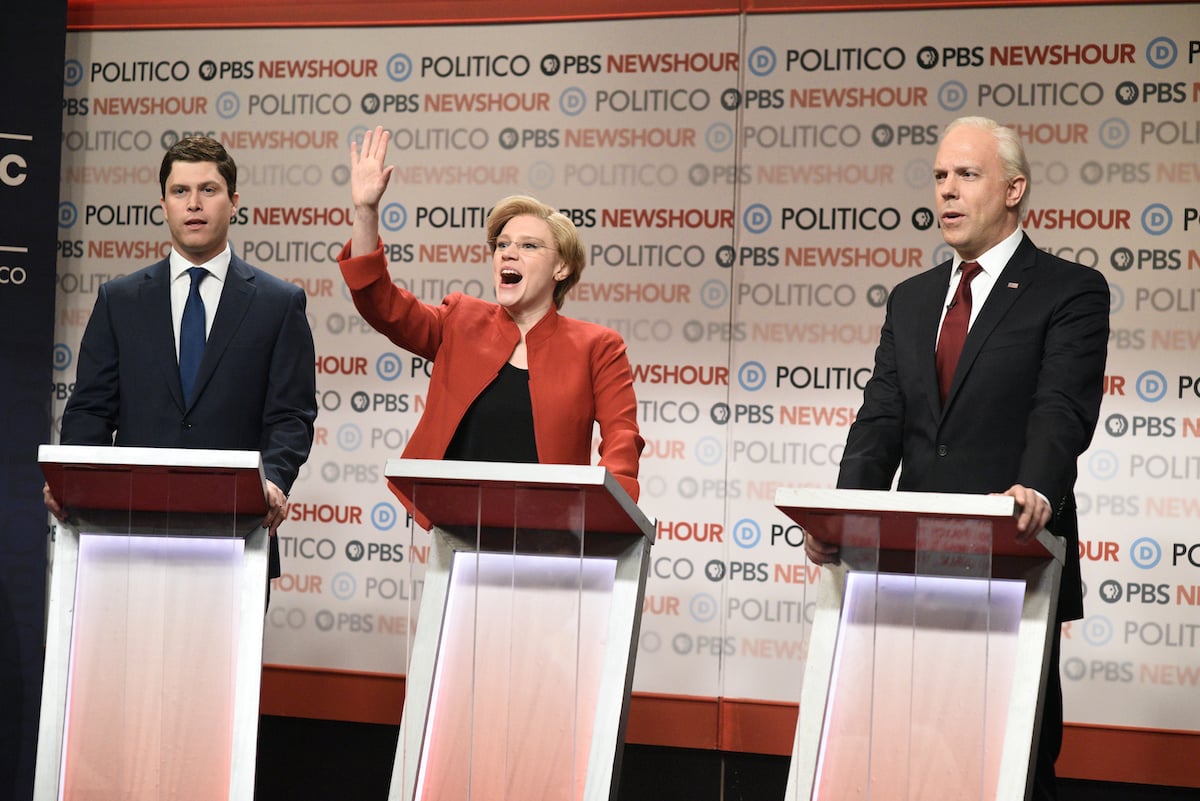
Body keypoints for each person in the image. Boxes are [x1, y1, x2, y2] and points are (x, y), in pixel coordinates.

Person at [809, 116, 1109, 800]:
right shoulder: (912, 299)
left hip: (1015, 554)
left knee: (1012, 759)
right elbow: (881, 418)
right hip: (908, 565)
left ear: (1014, 190)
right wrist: (843, 511)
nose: (947, 190)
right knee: (908, 749)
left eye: (967, 175)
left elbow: (1061, 407)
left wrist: (1035, 484)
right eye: (940, 176)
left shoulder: (1068, 291)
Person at [44, 135, 318, 578]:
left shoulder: (279, 303)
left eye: (208, 190)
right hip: (127, 531)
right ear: (164, 204)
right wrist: (75, 481)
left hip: (236, 532)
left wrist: (274, 482)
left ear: (233, 203)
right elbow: (91, 410)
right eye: (180, 192)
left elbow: (291, 414)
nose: (194, 204)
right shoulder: (120, 300)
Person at [337, 125, 643, 503]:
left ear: (561, 268)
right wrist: (365, 210)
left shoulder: (598, 347)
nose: (508, 253)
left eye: (529, 246)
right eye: (502, 245)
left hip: (552, 533)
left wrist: (608, 510)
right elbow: (381, 303)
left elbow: (622, 438)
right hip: (459, 526)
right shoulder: (460, 320)